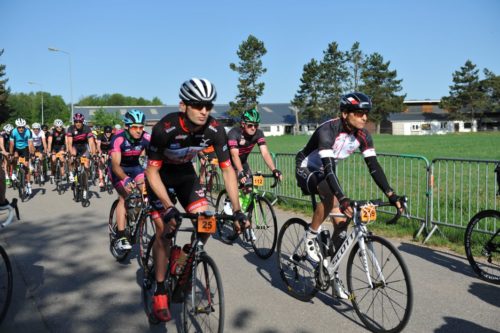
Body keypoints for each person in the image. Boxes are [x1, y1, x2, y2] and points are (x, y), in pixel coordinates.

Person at [145, 78, 247, 322]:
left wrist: (237, 209)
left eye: (208, 106)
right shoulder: (165, 128)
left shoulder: (215, 129)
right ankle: (159, 291)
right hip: (160, 177)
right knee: (165, 228)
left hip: (185, 176)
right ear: (184, 106)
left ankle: (186, 257)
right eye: (198, 105)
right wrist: (169, 208)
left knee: (207, 221)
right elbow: (151, 171)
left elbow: (227, 170)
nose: (204, 111)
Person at [295, 92, 404, 299]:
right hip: (307, 167)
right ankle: (310, 234)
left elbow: (374, 167)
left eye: (366, 114)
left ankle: (331, 272)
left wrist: (391, 195)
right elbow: (327, 170)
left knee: (343, 223)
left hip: (327, 171)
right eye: (359, 113)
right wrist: (342, 198)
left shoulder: (363, 135)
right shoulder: (328, 130)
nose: (365, 118)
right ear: (345, 113)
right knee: (331, 196)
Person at [226, 108, 283, 239]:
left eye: (256, 125)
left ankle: (244, 220)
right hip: (230, 162)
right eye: (250, 125)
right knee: (237, 182)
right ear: (243, 124)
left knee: (249, 187)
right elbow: (234, 156)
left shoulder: (259, 134)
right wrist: (240, 172)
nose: (253, 128)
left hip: (243, 162)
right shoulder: (234, 133)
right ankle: (229, 202)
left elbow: (265, 153)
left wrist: (274, 170)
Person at [109, 110, 150, 251]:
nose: (139, 130)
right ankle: (120, 236)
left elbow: (158, 153)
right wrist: (125, 179)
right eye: (135, 127)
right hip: (118, 170)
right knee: (124, 197)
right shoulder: (118, 139)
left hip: (135, 168)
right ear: (127, 126)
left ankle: (135, 218)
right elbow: (115, 165)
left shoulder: (146, 137)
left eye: (141, 127)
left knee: (145, 193)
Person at [66, 113, 96, 199]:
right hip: (74, 147)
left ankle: (85, 184)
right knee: (72, 157)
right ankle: (72, 173)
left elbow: (91, 142)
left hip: (83, 148)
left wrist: (93, 153)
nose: (78, 123)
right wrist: (70, 153)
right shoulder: (71, 128)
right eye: (76, 121)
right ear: (74, 122)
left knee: (86, 165)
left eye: (79, 121)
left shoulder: (87, 129)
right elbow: (69, 143)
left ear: (82, 121)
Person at [9, 118, 34, 195]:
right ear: (16, 127)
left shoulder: (28, 132)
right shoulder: (13, 132)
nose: (21, 129)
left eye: (22, 127)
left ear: (25, 126)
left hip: (25, 148)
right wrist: (11, 154)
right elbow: (11, 144)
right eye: (19, 127)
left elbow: (30, 144)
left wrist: (31, 154)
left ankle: (29, 185)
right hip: (16, 148)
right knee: (15, 157)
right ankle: (14, 172)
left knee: (26, 166)